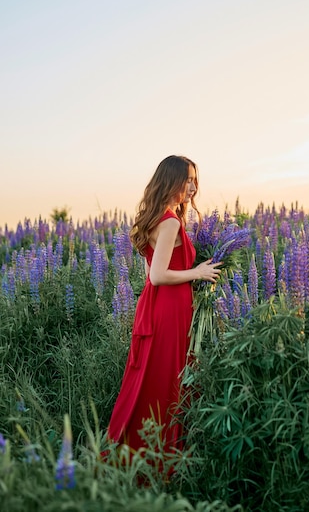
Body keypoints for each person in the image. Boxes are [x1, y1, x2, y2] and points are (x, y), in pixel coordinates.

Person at [106, 155, 222, 457]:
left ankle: (139, 449)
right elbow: (157, 276)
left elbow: (149, 273)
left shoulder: (158, 217)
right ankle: (162, 455)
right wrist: (197, 273)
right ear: (171, 181)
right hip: (169, 310)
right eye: (188, 180)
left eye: (195, 180)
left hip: (156, 307)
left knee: (152, 377)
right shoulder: (170, 222)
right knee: (167, 379)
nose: (193, 187)